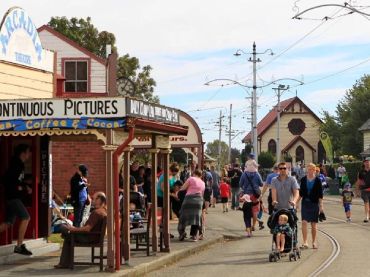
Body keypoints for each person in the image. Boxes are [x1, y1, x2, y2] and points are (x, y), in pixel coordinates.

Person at [54, 192, 107, 269]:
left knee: (62, 227)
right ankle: (64, 263)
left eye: (94, 198)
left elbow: (87, 229)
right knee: (68, 235)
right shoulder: (104, 211)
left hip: (88, 238)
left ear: (99, 200)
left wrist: (73, 229)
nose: (92, 200)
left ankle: (64, 263)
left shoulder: (96, 213)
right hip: (94, 237)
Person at [0, 144, 33, 255]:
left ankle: (19, 246)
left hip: (12, 197)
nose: (29, 154)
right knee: (26, 217)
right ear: (23, 153)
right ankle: (19, 246)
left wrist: (24, 185)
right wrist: (22, 187)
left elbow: (16, 180)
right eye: (28, 151)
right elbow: (7, 179)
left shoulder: (19, 164)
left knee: (8, 223)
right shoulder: (16, 164)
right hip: (13, 197)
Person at [298, 163, 324, 249]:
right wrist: (296, 203)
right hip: (305, 203)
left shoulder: (318, 180)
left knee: (313, 224)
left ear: (314, 170)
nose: (309, 171)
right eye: (308, 169)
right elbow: (301, 193)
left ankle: (313, 241)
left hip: (314, 204)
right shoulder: (303, 179)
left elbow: (320, 195)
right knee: (304, 222)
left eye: (311, 169)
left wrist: (321, 206)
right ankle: (305, 242)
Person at [178, 169, 205, 242]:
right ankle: (194, 235)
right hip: (199, 200)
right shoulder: (203, 183)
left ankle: (182, 232)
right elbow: (202, 193)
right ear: (201, 175)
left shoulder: (191, 178)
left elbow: (183, 188)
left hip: (189, 199)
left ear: (194, 173)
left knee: (183, 216)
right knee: (196, 218)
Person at [239, 167, 263, 236]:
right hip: (255, 195)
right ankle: (254, 226)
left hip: (247, 196)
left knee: (247, 214)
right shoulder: (257, 174)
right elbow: (261, 184)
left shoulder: (244, 174)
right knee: (255, 211)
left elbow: (240, 184)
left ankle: (249, 230)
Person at [356, 157, 370, 223]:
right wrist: (357, 190)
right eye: (366, 162)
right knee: (366, 203)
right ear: (364, 163)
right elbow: (358, 181)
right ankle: (366, 216)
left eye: (368, 162)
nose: (367, 163)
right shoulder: (361, 172)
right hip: (364, 190)